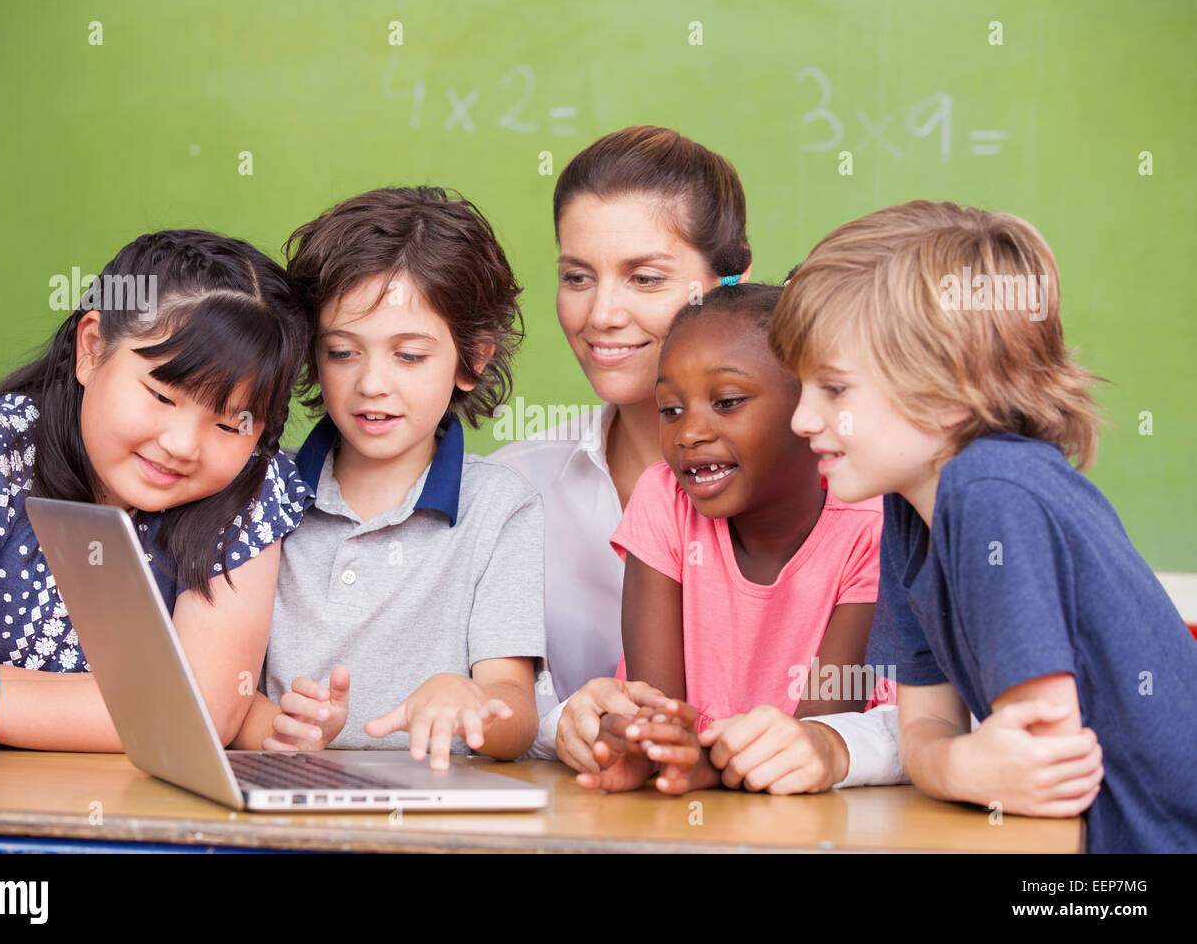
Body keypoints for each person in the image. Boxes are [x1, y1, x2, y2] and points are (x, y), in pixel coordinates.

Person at [769, 199, 1193, 852]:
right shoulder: (911, 513)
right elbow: (928, 733)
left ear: (944, 396)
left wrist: (962, 764)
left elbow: (1040, 771)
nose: (801, 420)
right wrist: (962, 765)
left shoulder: (992, 493)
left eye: (833, 389)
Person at [490, 126, 903, 791]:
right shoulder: (510, 488)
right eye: (577, 277)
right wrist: (560, 724)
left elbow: (897, 715)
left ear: (728, 282)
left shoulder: (869, 504)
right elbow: (488, 700)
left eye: (645, 277)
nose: (602, 314)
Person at [0, 230, 312, 750]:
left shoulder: (249, 489)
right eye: (162, 396)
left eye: (230, 425)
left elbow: (202, 715)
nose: (183, 445)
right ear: (92, 349)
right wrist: (151, 704)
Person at [233, 187, 544, 769]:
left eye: (409, 356)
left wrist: (472, 701)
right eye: (343, 352)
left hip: (437, 810)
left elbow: (517, 715)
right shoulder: (259, 489)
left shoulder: (500, 506)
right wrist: (278, 725)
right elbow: (218, 691)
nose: (372, 383)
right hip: (283, 795)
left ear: (473, 361)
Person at [572, 284, 887, 795]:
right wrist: (636, 738)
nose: (689, 432)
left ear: (808, 411)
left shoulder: (870, 528)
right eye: (670, 409)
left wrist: (705, 765)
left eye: (727, 402)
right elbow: (659, 712)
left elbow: (810, 738)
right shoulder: (665, 499)